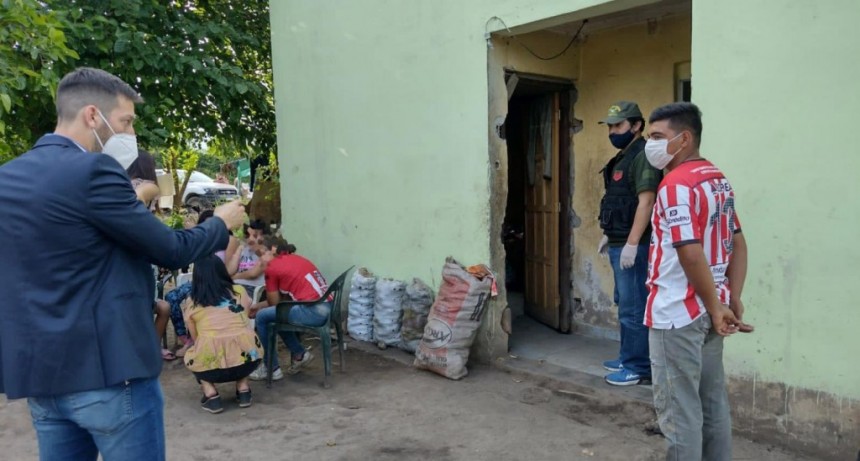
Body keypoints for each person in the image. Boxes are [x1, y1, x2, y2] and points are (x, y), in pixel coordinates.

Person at [0, 67, 246, 461]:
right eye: (126, 121)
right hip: (109, 373)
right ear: (92, 115)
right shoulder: (94, 170)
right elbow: (169, 250)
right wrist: (219, 223)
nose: (131, 134)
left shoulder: (7, 178)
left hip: (42, 376)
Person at [643, 102, 753, 461]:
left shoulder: (675, 185)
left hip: (678, 313)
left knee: (680, 414)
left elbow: (689, 252)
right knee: (712, 404)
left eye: (657, 136)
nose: (650, 144)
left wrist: (715, 305)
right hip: (711, 310)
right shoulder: (717, 179)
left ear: (684, 139)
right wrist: (730, 299)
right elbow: (738, 241)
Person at [596, 101, 663, 386]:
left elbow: (646, 202)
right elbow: (619, 200)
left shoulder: (643, 155)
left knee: (634, 307)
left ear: (636, 126)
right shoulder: (625, 156)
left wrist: (633, 243)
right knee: (625, 303)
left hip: (635, 245)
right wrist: (609, 234)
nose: (612, 131)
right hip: (620, 240)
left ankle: (638, 367)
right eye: (610, 126)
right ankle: (627, 357)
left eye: (618, 125)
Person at [181, 255, 263, 414]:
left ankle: (210, 393)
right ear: (222, 272)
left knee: (194, 352)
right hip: (249, 360)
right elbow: (244, 319)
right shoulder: (239, 291)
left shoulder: (193, 301)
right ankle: (243, 388)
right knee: (242, 340)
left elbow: (196, 338)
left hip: (210, 367)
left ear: (197, 277)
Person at [248, 235, 329, 381]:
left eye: (262, 254)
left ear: (273, 250)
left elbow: (274, 303)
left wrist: (258, 308)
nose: (260, 260)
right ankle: (299, 354)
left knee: (262, 317)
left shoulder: (272, 268)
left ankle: (271, 368)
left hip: (313, 311)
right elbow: (279, 303)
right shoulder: (296, 258)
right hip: (327, 306)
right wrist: (259, 305)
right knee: (277, 315)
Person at [228, 219, 269, 297]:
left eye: (255, 235)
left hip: (252, 288)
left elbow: (253, 274)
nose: (250, 238)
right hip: (235, 285)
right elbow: (231, 270)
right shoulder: (243, 249)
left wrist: (234, 277)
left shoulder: (265, 253)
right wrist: (239, 249)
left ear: (262, 237)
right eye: (247, 235)